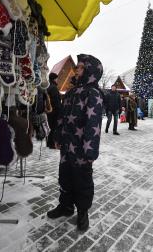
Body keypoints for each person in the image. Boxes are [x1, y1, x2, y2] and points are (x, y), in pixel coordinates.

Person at [47, 54, 104, 232]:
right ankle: (65, 206)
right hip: (66, 145)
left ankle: (82, 212)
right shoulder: (71, 92)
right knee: (65, 176)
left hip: (82, 147)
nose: (76, 69)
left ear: (89, 70)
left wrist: (90, 152)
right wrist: (57, 137)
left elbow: (93, 124)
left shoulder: (93, 93)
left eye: (79, 67)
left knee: (82, 180)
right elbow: (61, 118)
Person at [47, 72, 61, 149]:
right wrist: (60, 109)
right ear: (54, 79)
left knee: (50, 127)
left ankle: (49, 143)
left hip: (50, 110)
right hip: (54, 111)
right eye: (57, 78)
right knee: (54, 127)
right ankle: (52, 144)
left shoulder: (49, 86)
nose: (57, 80)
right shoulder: (54, 88)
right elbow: (56, 101)